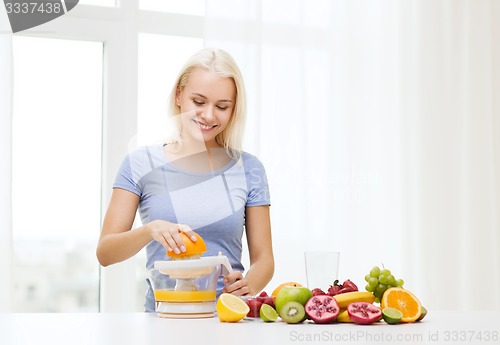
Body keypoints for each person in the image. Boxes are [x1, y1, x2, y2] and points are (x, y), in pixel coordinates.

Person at [96, 48, 274, 312]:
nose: (209, 115)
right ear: (179, 95)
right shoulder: (140, 163)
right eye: (199, 102)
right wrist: (149, 230)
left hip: (228, 318)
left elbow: (264, 259)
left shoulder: (249, 168)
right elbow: (106, 253)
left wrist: (247, 283)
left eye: (222, 106)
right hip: (162, 317)